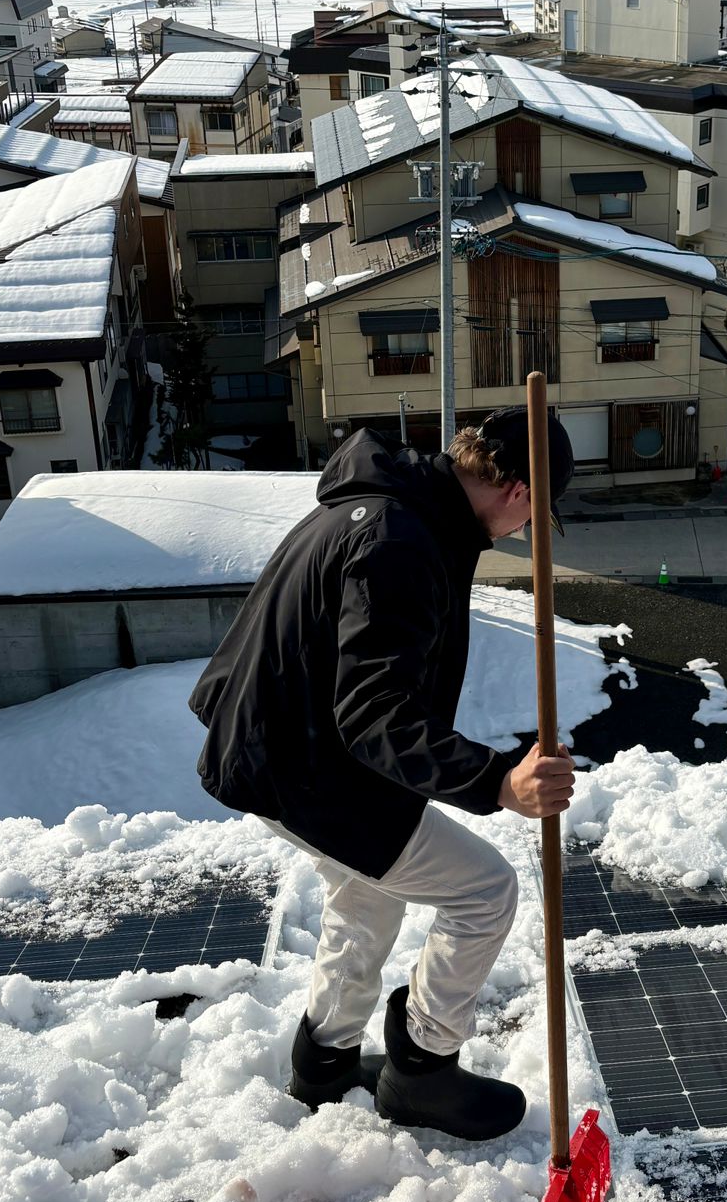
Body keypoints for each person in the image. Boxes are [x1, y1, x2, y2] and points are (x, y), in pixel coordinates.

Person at [189, 409, 576, 1142]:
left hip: (283, 749)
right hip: (304, 764)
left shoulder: (392, 507)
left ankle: (324, 1062)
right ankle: (422, 1068)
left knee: (368, 895)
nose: (525, 532)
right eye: (536, 517)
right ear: (520, 493)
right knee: (484, 891)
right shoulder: (401, 540)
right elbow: (374, 716)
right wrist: (498, 782)